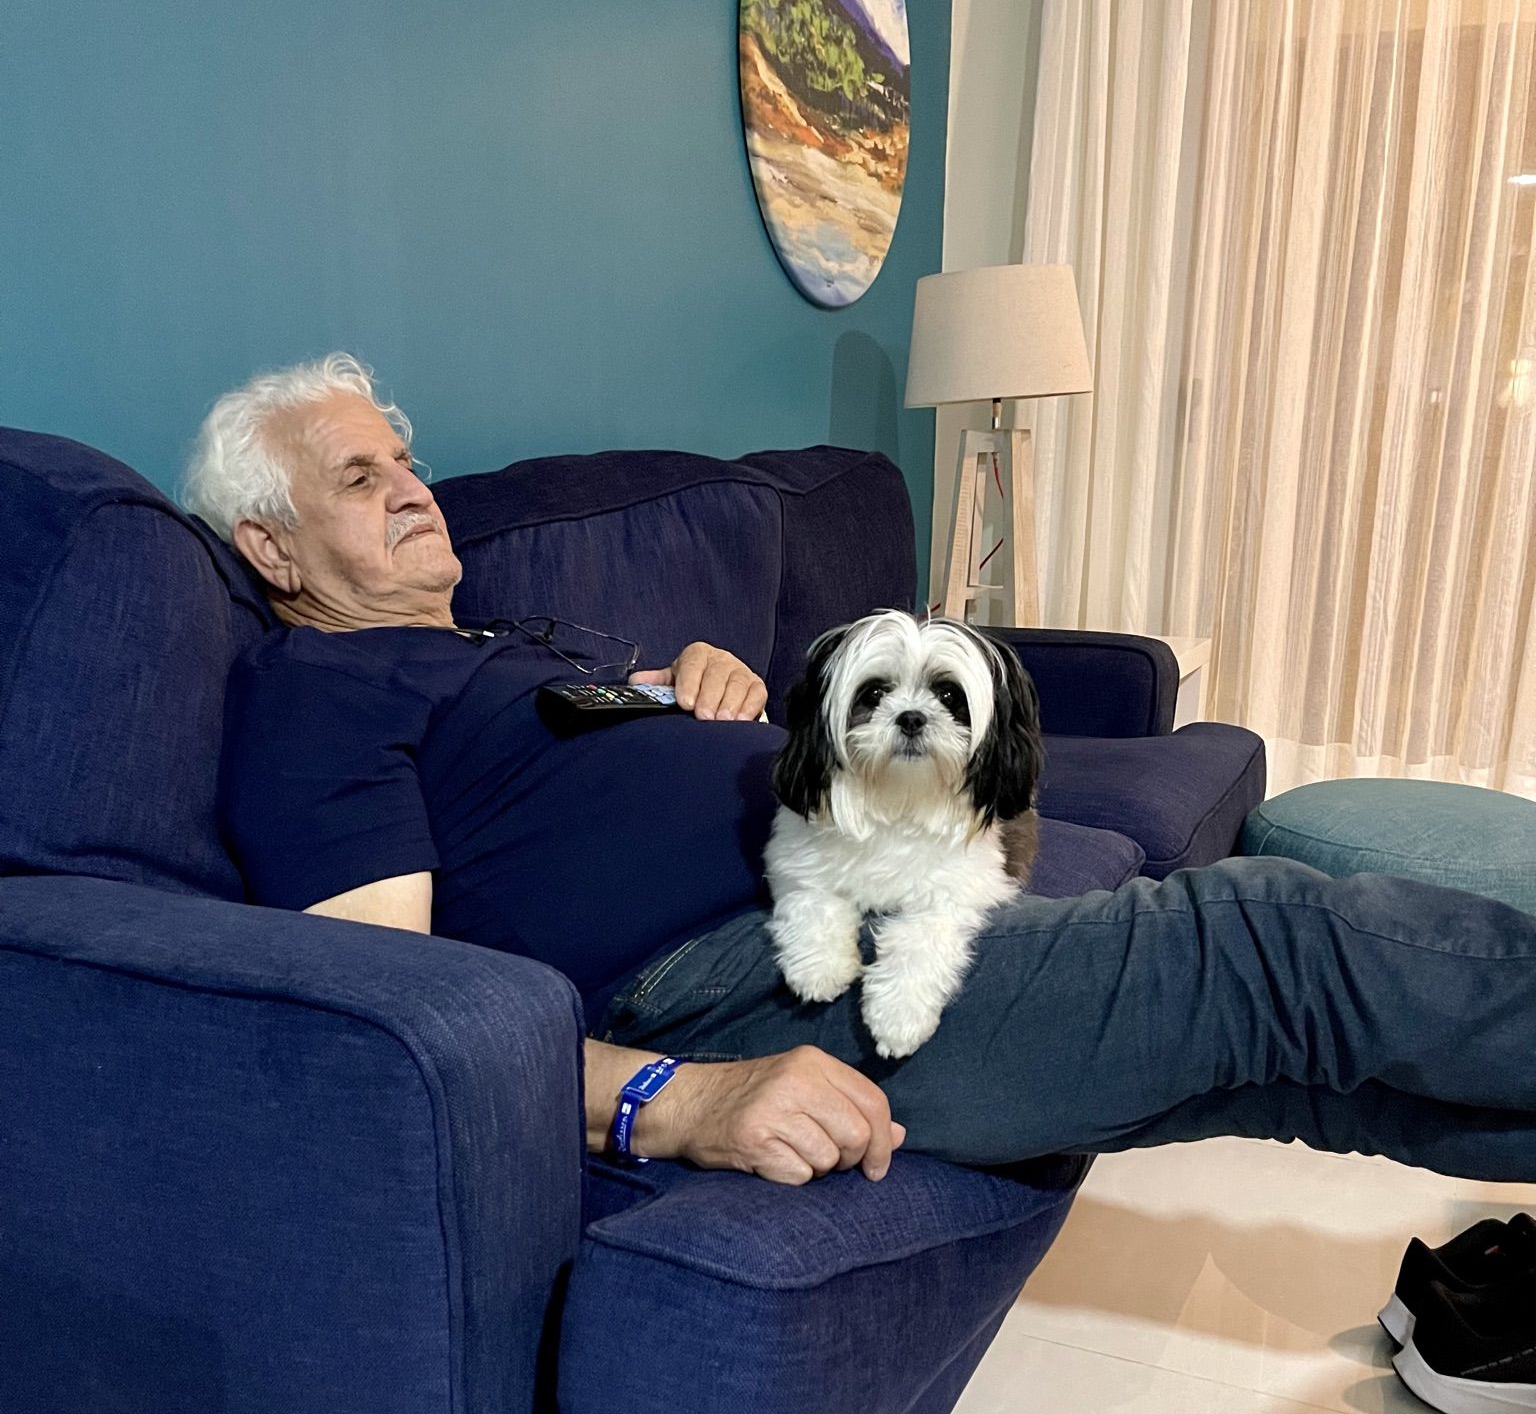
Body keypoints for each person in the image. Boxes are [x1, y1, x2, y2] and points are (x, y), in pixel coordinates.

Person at [194, 354, 1536, 1195]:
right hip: (721, 975)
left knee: (1305, 1075)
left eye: (407, 462)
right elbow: (384, 1011)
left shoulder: (491, 648)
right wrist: (672, 1100)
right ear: (271, 548)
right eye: (359, 477)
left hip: (861, 877)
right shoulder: (318, 690)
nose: (413, 489)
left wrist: (680, 687)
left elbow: (576, 767)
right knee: (1269, 940)